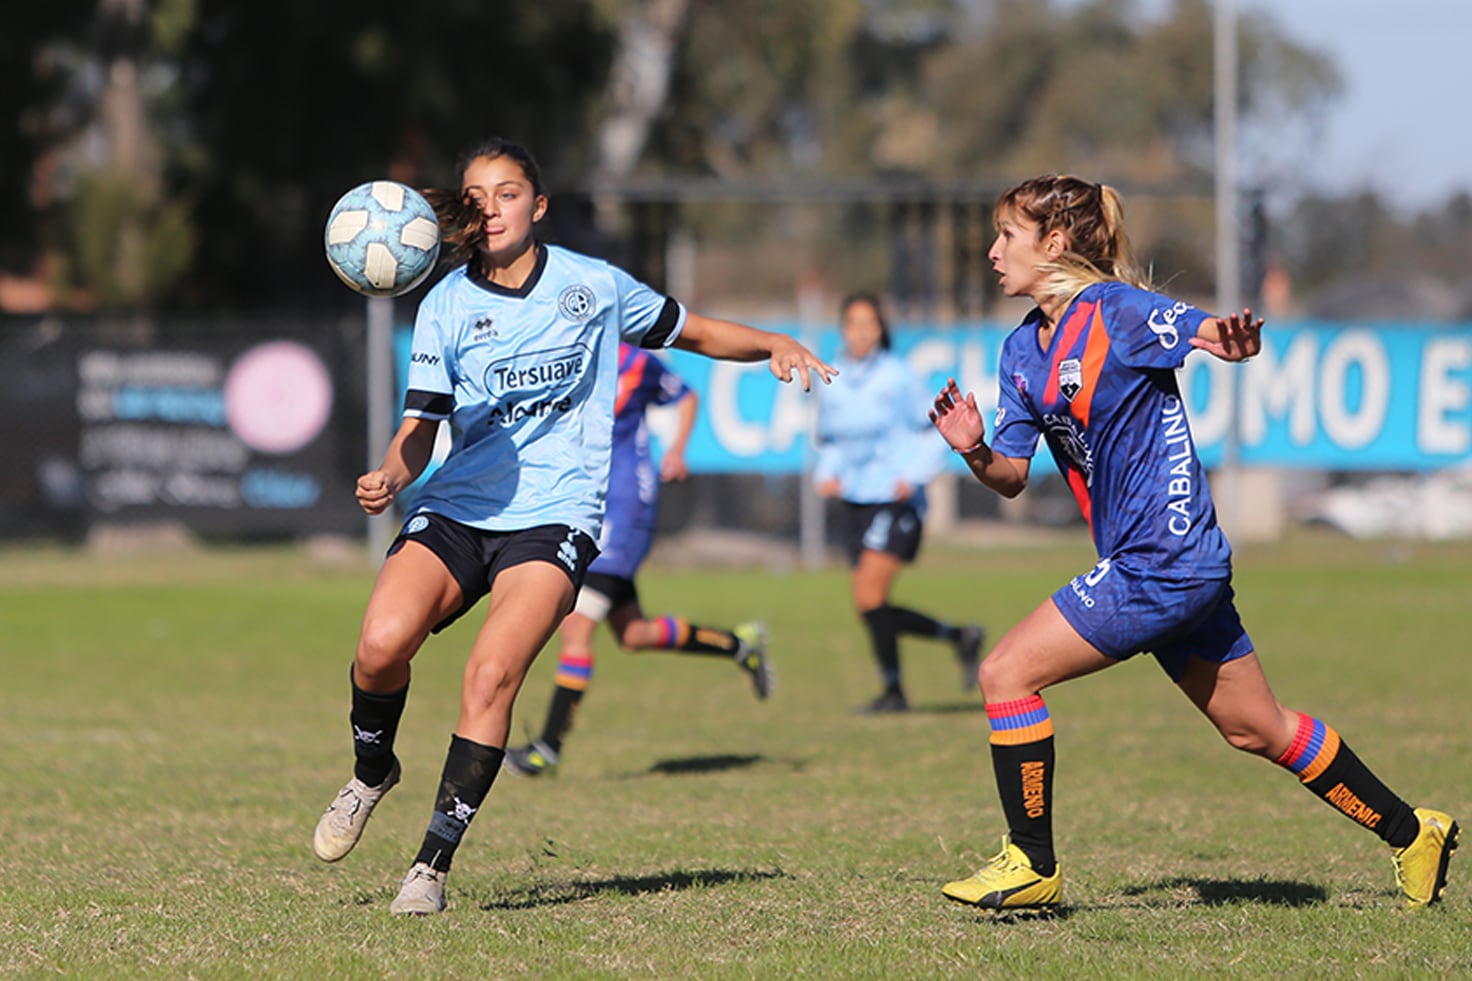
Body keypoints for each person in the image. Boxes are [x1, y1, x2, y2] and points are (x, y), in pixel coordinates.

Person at [311, 137, 834, 916]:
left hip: (556, 514)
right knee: (381, 645)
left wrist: (774, 343)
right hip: (457, 505)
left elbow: (691, 330)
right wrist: (394, 471)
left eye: (508, 192)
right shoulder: (446, 303)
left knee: (491, 676)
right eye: (477, 195)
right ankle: (371, 770)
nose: (491, 207)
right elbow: (421, 423)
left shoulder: (594, 285)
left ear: (539, 204)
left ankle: (431, 863)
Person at [928, 174, 1458, 911]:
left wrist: (1228, 341)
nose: (991, 252)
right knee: (1257, 728)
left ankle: (1031, 861)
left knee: (1004, 673)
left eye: (1006, 237)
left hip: (1162, 563)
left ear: (1053, 244)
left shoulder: (1116, 310)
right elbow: (1012, 477)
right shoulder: (1021, 353)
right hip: (1171, 567)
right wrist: (972, 449)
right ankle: (1413, 830)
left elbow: (1202, 329)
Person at [502, 341, 772, 778]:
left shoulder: (634, 361)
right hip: (590, 507)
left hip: (625, 509)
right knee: (634, 634)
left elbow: (686, 394)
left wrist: (678, 449)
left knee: (577, 628)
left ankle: (546, 749)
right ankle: (739, 645)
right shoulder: (565, 357)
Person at [814, 291, 986, 714]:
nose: (861, 332)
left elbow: (933, 429)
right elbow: (830, 439)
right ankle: (957, 637)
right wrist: (827, 474)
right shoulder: (832, 379)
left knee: (870, 598)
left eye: (869, 323)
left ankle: (895, 692)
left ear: (881, 330)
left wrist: (911, 477)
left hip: (894, 501)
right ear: (842, 329)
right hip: (855, 500)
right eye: (853, 323)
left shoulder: (898, 376)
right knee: (867, 607)